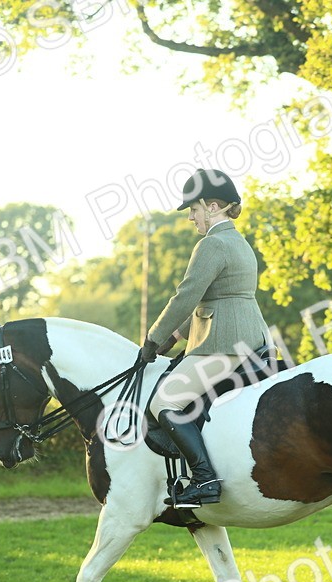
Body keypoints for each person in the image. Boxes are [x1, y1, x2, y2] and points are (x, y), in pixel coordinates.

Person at [139, 168, 271, 508]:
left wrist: (153, 338)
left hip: (223, 344)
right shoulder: (237, 242)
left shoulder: (211, 244)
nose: (191, 218)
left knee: (163, 402)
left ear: (213, 206)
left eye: (193, 210)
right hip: (247, 335)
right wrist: (178, 336)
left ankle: (204, 478)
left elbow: (186, 296)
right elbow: (216, 299)